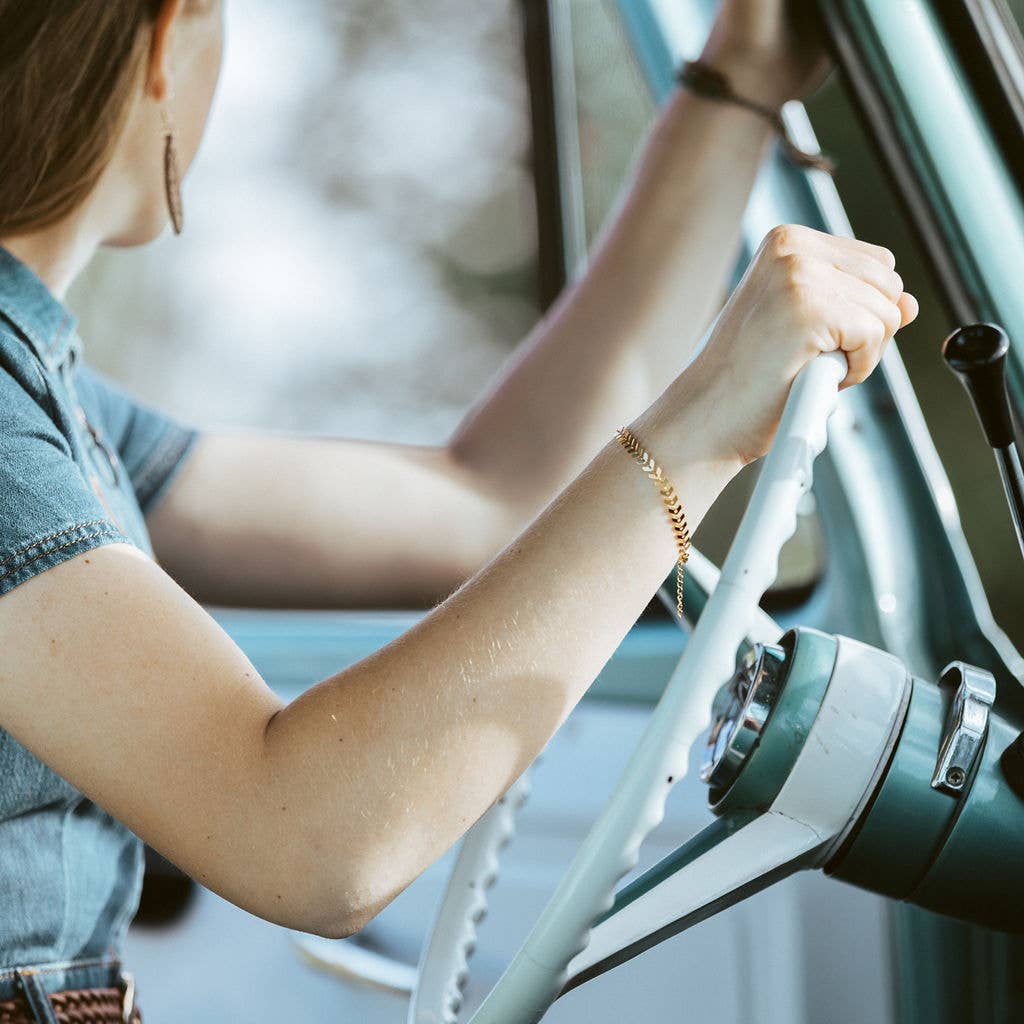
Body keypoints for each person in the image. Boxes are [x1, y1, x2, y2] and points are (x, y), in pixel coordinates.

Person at [0, 0, 918, 1019]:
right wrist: (701, 426)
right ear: (173, 36)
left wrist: (735, 84)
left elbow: (496, 500)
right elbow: (305, 836)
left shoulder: (51, 404)